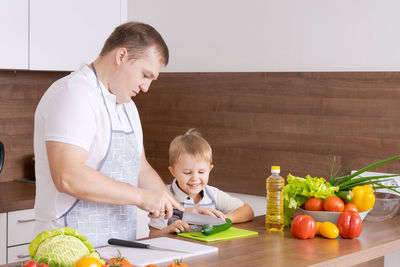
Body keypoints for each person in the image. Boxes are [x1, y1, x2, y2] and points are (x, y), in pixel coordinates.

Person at [33, 22, 185, 247]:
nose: (146, 87)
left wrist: (177, 208)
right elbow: (68, 176)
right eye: (145, 75)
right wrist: (142, 197)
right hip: (68, 246)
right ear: (122, 55)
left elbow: (140, 167)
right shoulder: (73, 94)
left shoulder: (126, 105)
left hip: (119, 246)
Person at [149, 129, 254, 236]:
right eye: (187, 172)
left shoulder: (212, 194)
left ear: (210, 170)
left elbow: (248, 211)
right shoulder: (165, 197)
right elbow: (152, 235)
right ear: (173, 172)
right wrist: (169, 230)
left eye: (201, 172)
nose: (195, 178)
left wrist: (223, 219)